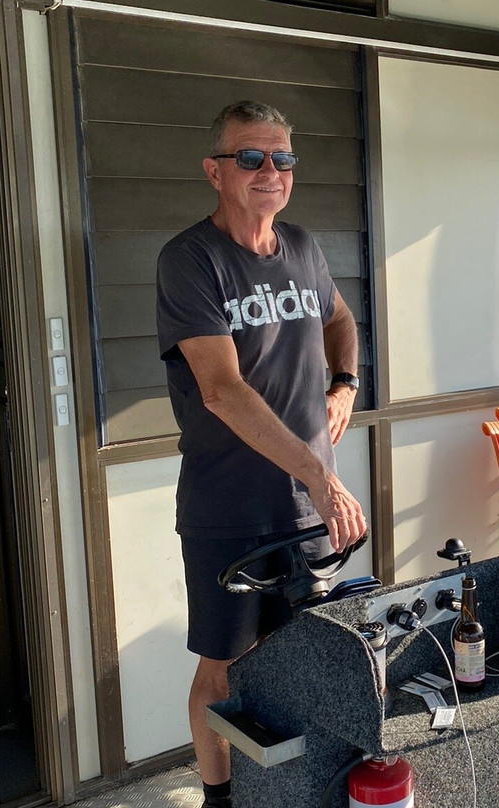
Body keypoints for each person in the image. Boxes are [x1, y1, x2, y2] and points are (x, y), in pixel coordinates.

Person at [156, 100, 367, 808]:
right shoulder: (191, 260)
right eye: (250, 158)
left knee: (305, 656)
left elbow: (340, 317)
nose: (269, 171)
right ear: (215, 171)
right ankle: (219, 798)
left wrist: (346, 384)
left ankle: (294, 790)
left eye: (282, 158)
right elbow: (221, 391)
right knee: (223, 668)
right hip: (229, 509)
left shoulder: (303, 248)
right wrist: (325, 480)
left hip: (306, 509)